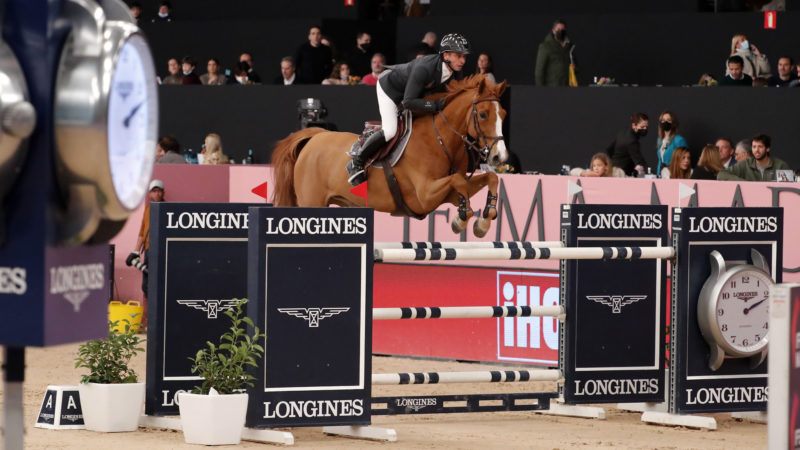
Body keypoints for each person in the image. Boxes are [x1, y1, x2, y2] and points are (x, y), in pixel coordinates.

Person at [346, 33, 471, 186]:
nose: (463, 61)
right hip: (390, 90)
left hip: (413, 93)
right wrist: (435, 106)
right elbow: (408, 102)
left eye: (464, 56)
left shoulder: (457, 71)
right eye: (459, 56)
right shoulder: (424, 68)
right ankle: (357, 162)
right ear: (445, 55)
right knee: (391, 130)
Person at [133, 179, 165, 321]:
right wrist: (135, 251)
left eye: (159, 191)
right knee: (146, 285)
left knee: (157, 284)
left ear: (163, 193)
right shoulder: (147, 209)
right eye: (154, 191)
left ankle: (157, 317)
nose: (156, 194)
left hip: (160, 250)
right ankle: (152, 316)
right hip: (148, 250)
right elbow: (142, 232)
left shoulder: (166, 209)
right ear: (149, 193)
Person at [718, 134, 791, 181]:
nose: (756, 150)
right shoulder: (746, 164)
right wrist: (744, 183)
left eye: (760, 147)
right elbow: (721, 174)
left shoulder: (780, 165)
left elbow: (788, 189)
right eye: (754, 147)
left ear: (768, 148)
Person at [605, 112, 649, 177]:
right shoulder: (632, 141)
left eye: (646, 127)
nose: (645, 129)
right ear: (634, 125)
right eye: (642, 127)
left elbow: (608, 150)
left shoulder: (623, 132)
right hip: (620, 174)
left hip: (613, 170)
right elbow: (639, 162)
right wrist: (650, 173)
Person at [534, 19, 574, 87]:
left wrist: (574, 68)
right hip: (552, 87)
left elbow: (574, 63)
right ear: (553, 31)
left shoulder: (569, 46)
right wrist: (540, 90)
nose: (561, 31)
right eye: (558, 29)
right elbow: (539, 71)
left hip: (567, 87)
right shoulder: (545, 47)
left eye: (563, 30)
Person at [655, 111, 688, 176]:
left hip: (674, 175)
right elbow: (660, 160)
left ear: (673, 123)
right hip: (661, 175)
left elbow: (684, 160)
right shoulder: (659, 140)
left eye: (668, 120)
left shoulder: (679, 140)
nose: (665, 122)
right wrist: (658, 173)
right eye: (663, 120)